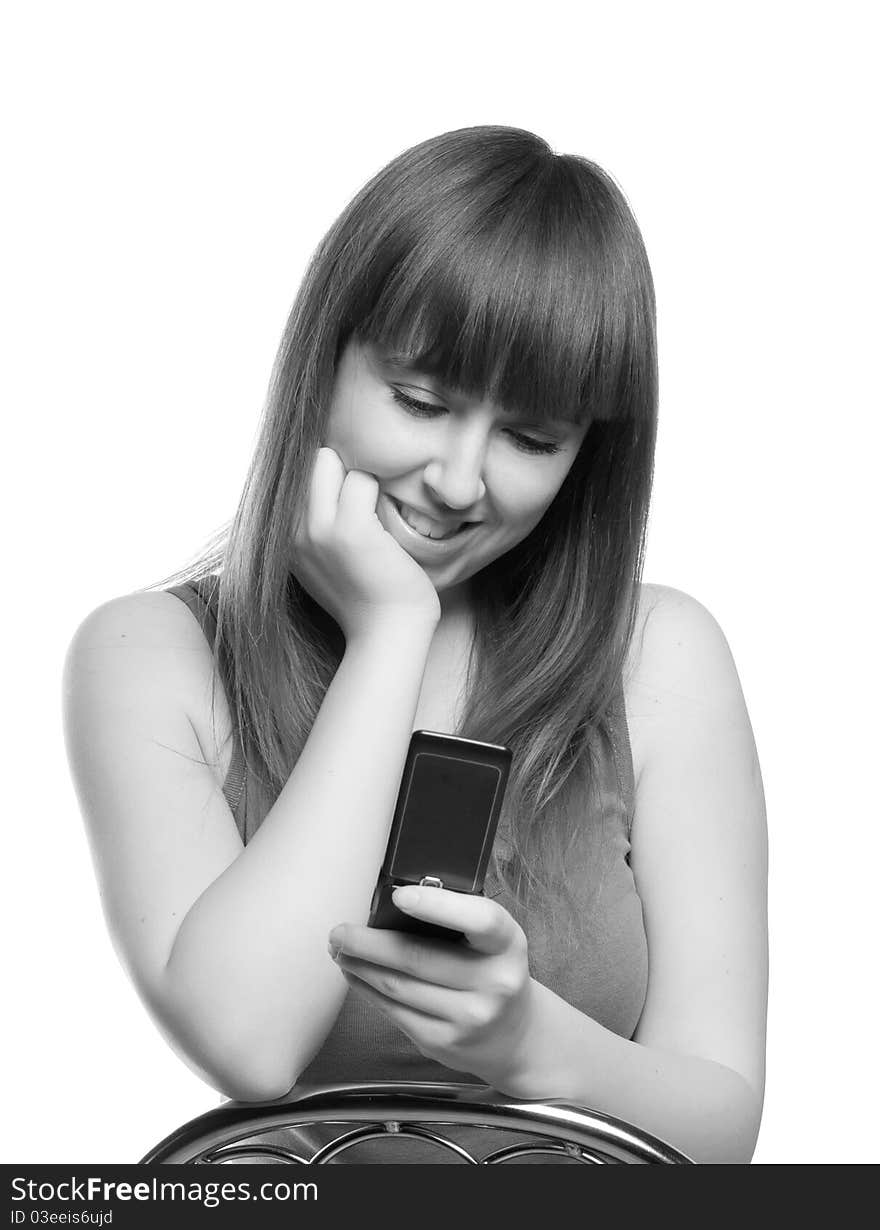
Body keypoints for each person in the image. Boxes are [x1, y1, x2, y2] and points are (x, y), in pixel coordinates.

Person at [62, 125, 768, 1164]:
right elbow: (249, 1040)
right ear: (326, 356)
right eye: (421, 401)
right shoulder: (150, 654)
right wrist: (391, 630)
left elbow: (721, 1131)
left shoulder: (657, 657)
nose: (457, 479)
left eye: (532, 439)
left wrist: (527, 1040)